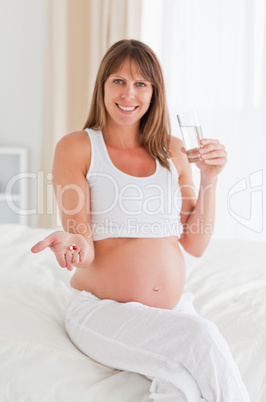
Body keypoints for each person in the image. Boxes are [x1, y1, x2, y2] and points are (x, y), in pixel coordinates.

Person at [31, 39, 250, 401]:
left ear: (154, 92)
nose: (128, 93)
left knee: (181, 386)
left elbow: (194, 244)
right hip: (104, 311)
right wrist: (70, 246)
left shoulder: (174, 150)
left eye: (140, 84)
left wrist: (211, 177)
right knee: (202, 337)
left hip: (172, 311)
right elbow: (82, 244)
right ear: (102, 86)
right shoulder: (78, 147)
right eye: (118, 81)